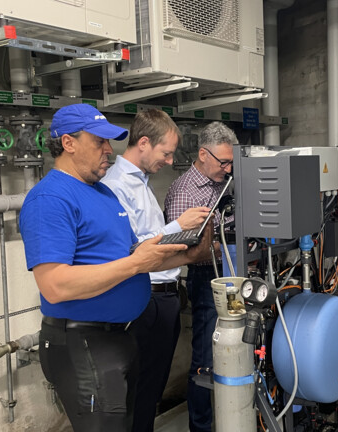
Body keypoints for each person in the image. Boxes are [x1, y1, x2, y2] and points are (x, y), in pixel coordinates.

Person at [19, 103, 212, 432]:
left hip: (119, 336)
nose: (109, 150)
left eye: (109, 142)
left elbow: (135, 253)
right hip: (82, 342)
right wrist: (136, 263)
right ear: (68, 143)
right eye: (99, 142)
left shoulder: (103, 193)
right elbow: (55, 285)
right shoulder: (50, 199)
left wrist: (188, 256)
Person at [101, 108, 210, 432]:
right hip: (144, 298)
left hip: (163, 298)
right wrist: (179, 226)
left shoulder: (141, 184)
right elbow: (131, 249)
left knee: (151, 390)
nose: (169, 160)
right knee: (137, 394)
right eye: (166, 153)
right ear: (144, 143)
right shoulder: (116, 186)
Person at [164, 121, 237, 432]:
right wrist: (229, 244)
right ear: (203, 155)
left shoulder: (224, 182)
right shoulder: (185, 191)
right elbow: (185, 249)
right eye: (224, 162)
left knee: (239, 346)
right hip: (207, 279)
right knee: (206, 357)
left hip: (233, 275)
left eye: (232, 162)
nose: (229, 169)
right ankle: (201, 426)